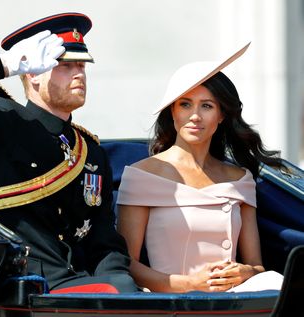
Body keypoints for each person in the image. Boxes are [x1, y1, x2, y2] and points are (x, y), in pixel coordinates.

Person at [0, 12, 138, 293]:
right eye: (64, 66)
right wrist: (3, 65)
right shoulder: (2, 123)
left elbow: (104, 241)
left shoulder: (90, 152)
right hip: (21, 285)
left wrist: (118, 285)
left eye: (82, 65)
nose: (79, 74)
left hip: (78, 286)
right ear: (33, 73)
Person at [116, 42, 284, 293]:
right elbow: (126, 264)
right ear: (172, 111)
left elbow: (256, 266)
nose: (195, 116)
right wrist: (190, 285)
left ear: (221, 115)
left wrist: (246, 272)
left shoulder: (240, 178)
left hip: (236, 301)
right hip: (173, 302)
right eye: (185, 104)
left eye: (207, 106)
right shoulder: (142, 175)